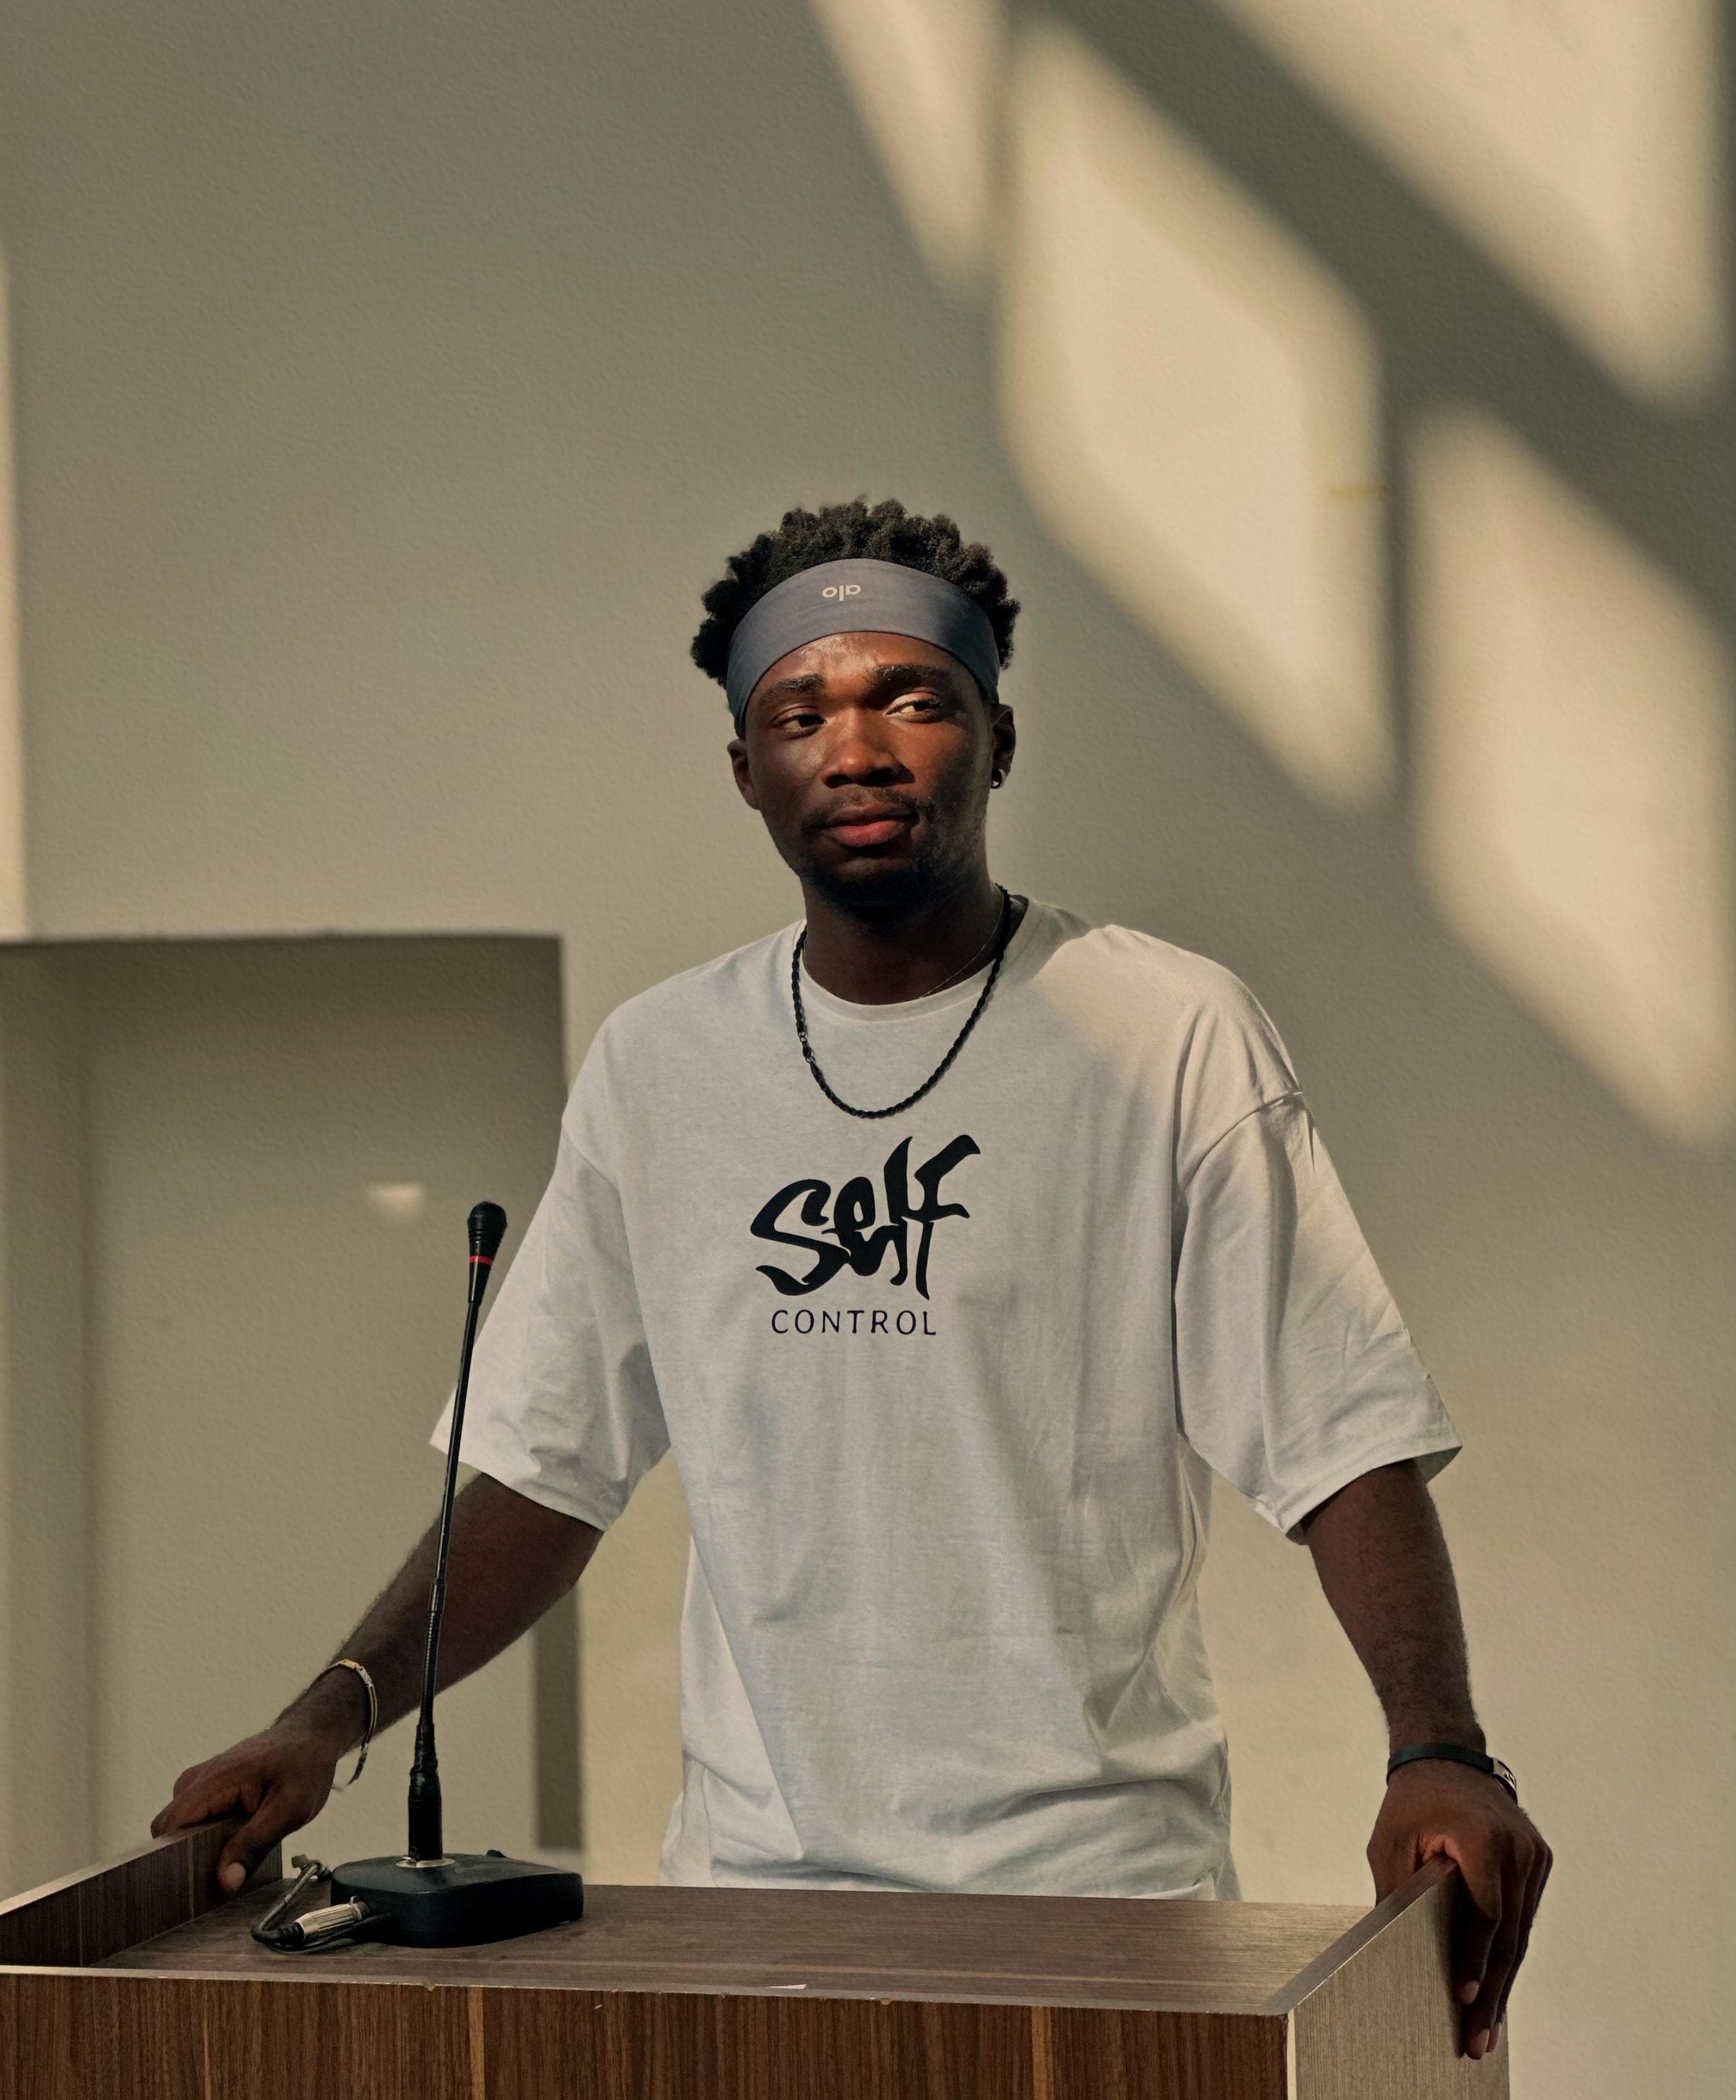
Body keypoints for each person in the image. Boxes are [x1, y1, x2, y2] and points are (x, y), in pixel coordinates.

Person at [156, 498, 1550, 2059]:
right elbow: (545, 1468)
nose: (858, 749)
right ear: (743, 770)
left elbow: (1338, 1433)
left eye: (912, 699)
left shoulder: (1167, 1035)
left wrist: (1440, 1750)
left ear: (999, 737)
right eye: (800, 714)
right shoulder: (660, 1068)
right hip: (754, 1915)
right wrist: (326, 1716)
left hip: (1100, 1907)